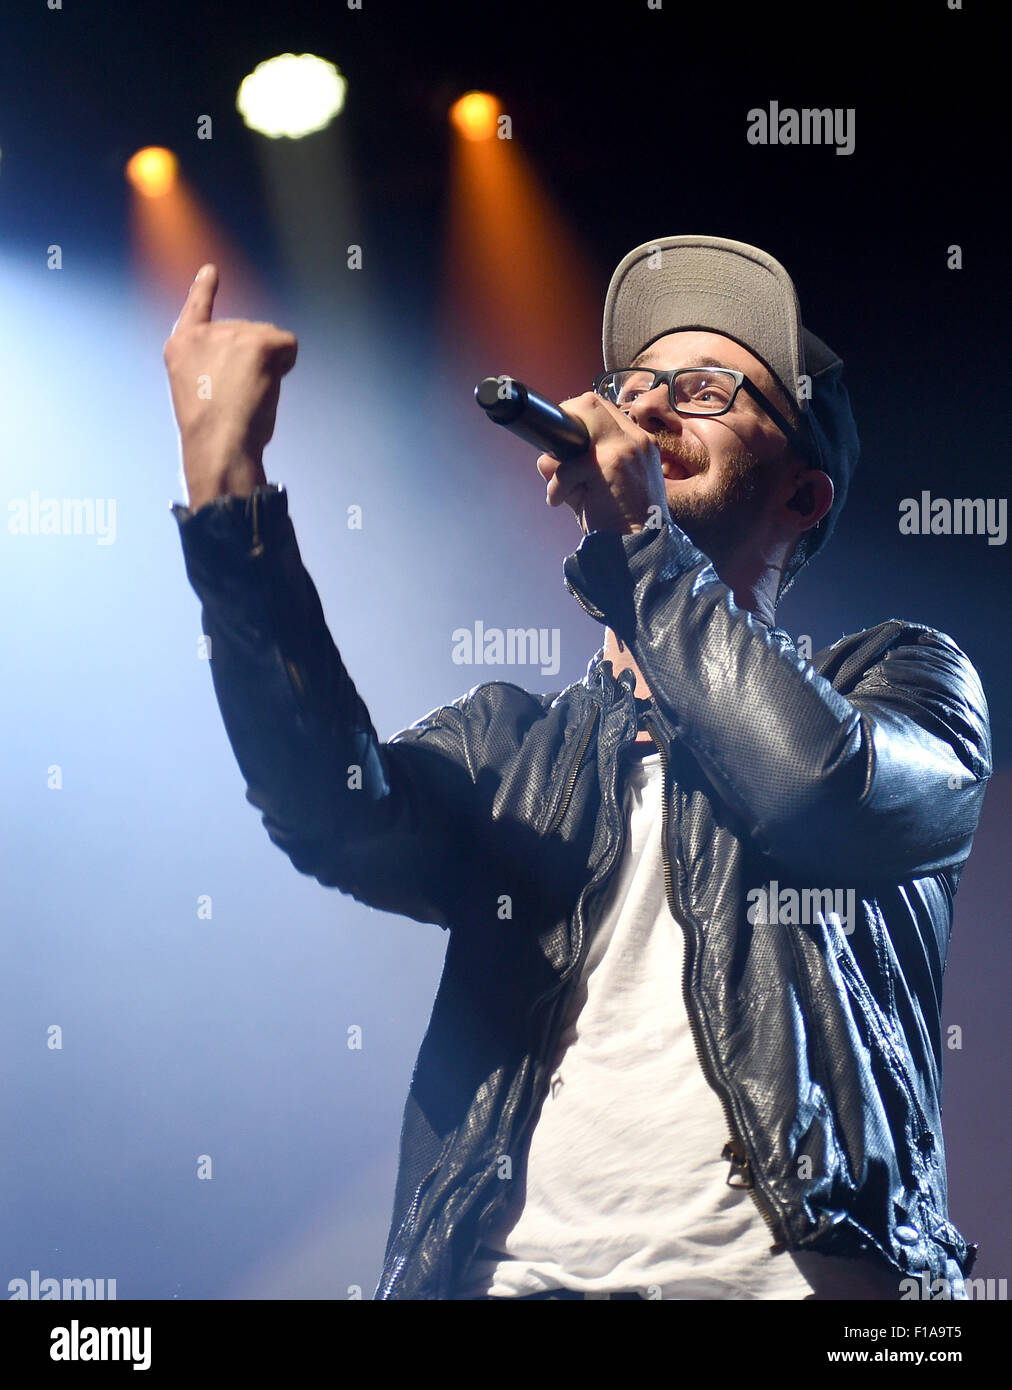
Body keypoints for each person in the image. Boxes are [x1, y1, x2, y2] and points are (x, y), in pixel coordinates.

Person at [163, 235, 991, 1301]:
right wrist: (226, 494)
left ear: (802, 495)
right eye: (630, 385)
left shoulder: (906, 680)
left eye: (703, 389)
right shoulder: (509, 743)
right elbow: (331, 811)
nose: (646, 408)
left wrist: (642, 541)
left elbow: (817, 792)